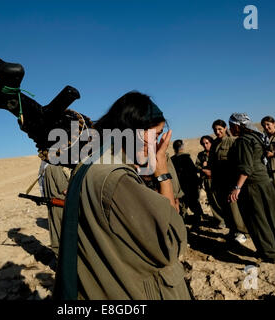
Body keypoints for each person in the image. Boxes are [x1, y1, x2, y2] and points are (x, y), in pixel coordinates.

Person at [53, 91, 190, 300]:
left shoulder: (91, 164)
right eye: (157, 133)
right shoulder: (117, 178)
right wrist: (162, 173)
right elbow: (170, 244)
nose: (159, 142)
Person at [228, 113, 275, 264]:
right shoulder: (257, 137)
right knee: (272, 218)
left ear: (238, 125)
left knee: (258, 222)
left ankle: (272, 255)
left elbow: (246, 168)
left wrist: (237, 188)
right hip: (265, 184)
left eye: (231, 126)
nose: (230, 129)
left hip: (252, 187)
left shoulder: (242, 141)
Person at [208, 120, 248, 243]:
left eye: (220, 129)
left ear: (225, 128)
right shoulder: (214, 144)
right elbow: (212, 163)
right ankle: (232, 229)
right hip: (219, 180)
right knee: (224, 207)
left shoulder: (232, 142)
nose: (217, 132)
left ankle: (242, 232)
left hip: (230, 179)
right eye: (215, 130)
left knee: (234, 206)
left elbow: (238, 162)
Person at [171, 139, 205, 227]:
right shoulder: (186, 158)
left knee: (182, 204)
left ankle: (183, 219)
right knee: (194, 202)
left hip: (178, 186)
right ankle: (198, 218)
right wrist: (198, 182)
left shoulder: (172, 160)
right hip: (190, 185)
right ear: (182, 147)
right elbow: (192, 172)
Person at [38, 161, 70, 256]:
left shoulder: (45, 167)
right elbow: (65, 190)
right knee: (65, 236)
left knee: (57, 235)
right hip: (61, 206)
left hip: (54, 206)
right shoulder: (55, 167)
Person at [195, 135, 224, 226]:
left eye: (207, 143)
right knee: (212, 201)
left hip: (219, 179)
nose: (205, 145)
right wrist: (203, 169)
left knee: (221, 200)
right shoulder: (201, 155)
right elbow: (196, 166)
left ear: (211, 143)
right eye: (203, 144)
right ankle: (220, 220)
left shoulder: (217, 152)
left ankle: (227, 219)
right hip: (207, 180)